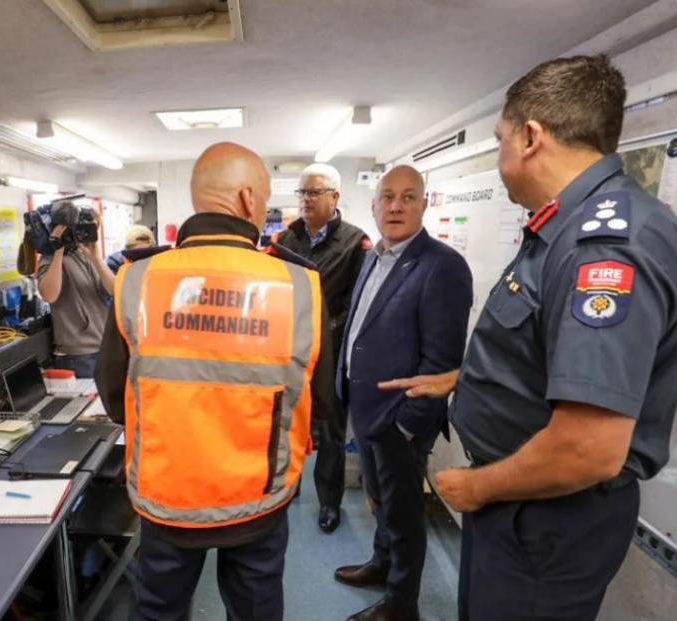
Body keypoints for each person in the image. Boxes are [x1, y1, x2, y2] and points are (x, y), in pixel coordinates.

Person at [381, 55, 677, 621]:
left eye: (499, 140)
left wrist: (479, 488)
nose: (499, 157)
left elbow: (588, 448)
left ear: (531, 138)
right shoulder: (562, 225)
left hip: (544, 517)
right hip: (522, 505)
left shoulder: (605, 245)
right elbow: (544, 352)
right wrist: (466, 379)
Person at [95, 142, 336, 621]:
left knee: (157, 612)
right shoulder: (297, 284)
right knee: (255, 611)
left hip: (166, 496)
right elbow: (322, 402)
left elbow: (113, 396)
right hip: (257, 496)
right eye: (265, 198)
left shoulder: (138, 279)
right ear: (248, 198)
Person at [334, 165, 472, 621]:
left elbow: (443, 361)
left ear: (424, 205)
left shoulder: (443, 266)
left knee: (404, 511)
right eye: (387, 196)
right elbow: (360, 327)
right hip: (367, 409)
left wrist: (407, 427)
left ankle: (401, 603)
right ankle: (381, 563)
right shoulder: (374, 256)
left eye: (408, 197)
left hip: (401, 419)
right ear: (373, 206)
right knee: (380, 499)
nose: (396, 205)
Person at [275, 162, 371, 533]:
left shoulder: (354, 242)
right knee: (289, 421)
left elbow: (356, 302)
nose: (305, 200)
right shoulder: (286, 241)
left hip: (331, 353)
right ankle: (290, 484)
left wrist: (321, 332)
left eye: (313, 192)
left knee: (331, 430)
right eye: (301, 192)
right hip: (289, 351)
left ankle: (329, 502)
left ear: (335, 196)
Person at [36, 202, 116, 378]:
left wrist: (95, 258)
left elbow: (114, 290)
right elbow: (49, 294)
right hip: (78, 356)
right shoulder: (49, 259)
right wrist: (58, 249)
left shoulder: (88, 255)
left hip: (103, 347)